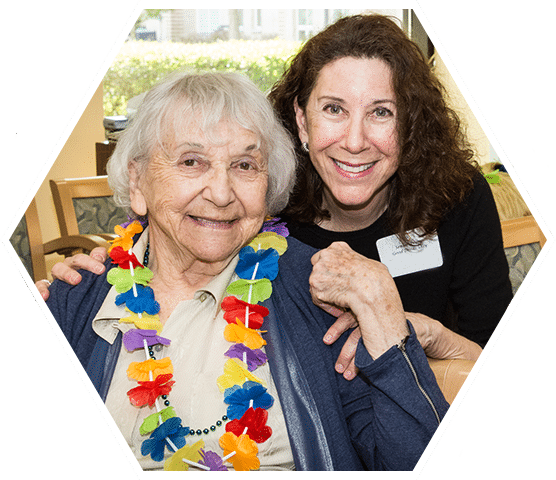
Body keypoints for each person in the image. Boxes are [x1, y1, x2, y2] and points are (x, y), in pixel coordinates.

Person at [39, 14, 512, 377]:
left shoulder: (458, 198)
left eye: (382, 112)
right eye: (333, 109)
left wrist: (425, 334)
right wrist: (78, 288)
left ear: (411, 124)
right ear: (302, 121)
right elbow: (162, 248)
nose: (354, 140)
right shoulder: (257, 203)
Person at [45, 71, 448, 471]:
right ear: (137, 181)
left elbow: (414, 461)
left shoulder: (317, 295)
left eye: (244, 165)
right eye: (191, 161)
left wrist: (383, 313)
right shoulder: (75, 299)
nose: (221, 194)